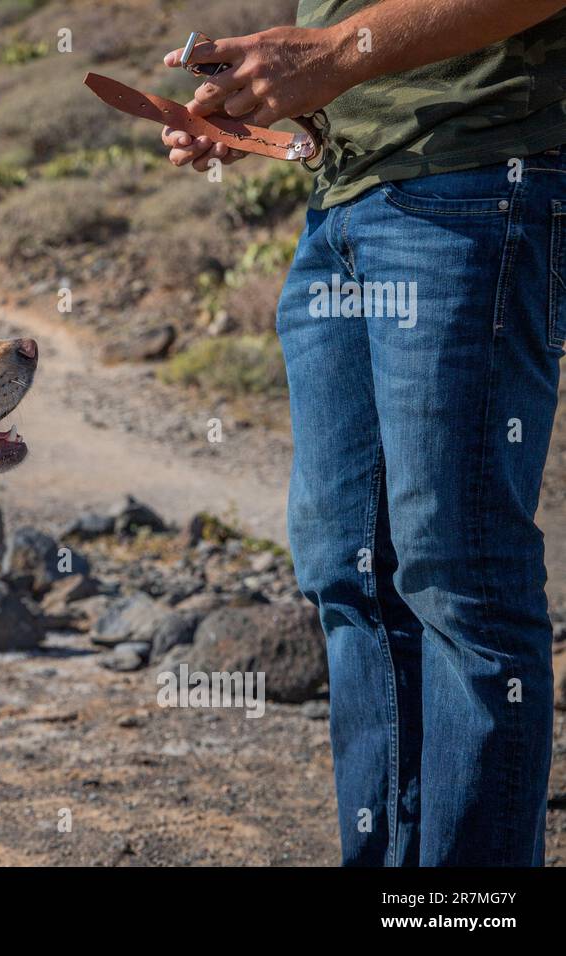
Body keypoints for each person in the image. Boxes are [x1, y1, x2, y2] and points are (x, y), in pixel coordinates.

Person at [160, 0, 566, 865]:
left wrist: (335, 50)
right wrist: (276, 110)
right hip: (341, 206)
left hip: (475, 181)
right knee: (350, 575)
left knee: (457, 567)